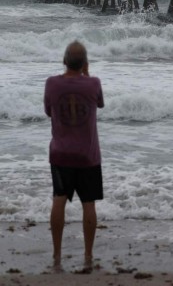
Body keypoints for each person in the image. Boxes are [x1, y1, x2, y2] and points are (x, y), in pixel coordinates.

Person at [44, 40, 104, 267]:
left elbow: (49, 111)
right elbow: (99, 103)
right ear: (85, 63)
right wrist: (86, 76)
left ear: (64, 61)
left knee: (58, 200)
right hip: (88, 155)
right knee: (89, 203)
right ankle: (88, 255)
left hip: (60, 154)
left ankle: (57, 255)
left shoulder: (51, 84)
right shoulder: (93, 83)